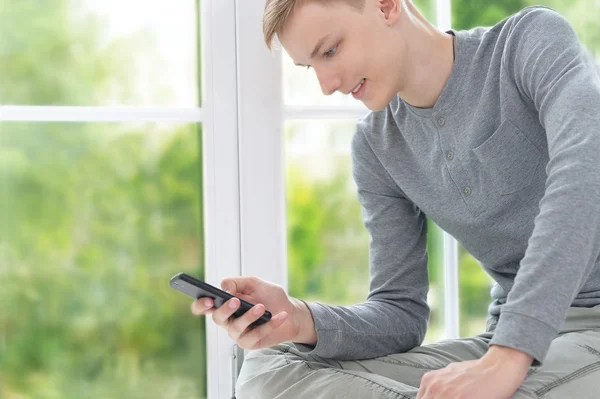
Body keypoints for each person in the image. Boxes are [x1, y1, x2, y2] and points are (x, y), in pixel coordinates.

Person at [190, 0, 600, 397]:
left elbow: (583, 174)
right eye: (312, 66)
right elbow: (399, 312)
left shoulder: (528, 43)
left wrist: (509, 357)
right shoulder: (377, 146)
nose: (327, 84)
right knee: (269, 368)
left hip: (556, 338)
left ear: (386, 5)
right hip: (504, 342)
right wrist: (298, 319)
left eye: (330, 50)